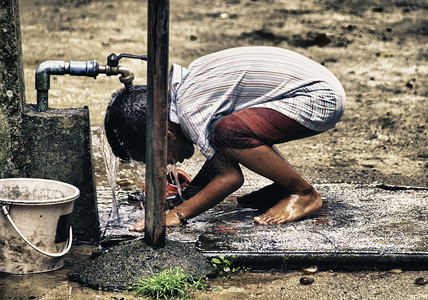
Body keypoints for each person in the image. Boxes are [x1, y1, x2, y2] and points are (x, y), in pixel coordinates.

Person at [104, 46, 345, 230]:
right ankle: (282, 185)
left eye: (160, 158)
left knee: (228, 133)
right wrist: (189, 193)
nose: (167, 164)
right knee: (226, 134)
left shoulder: (189, 110)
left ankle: (303, 193)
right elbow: (222, 157)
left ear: (166, 136)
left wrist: (176, 214)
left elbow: (230, 177)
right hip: (314, 89)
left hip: (319, 98)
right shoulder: (182, 88)